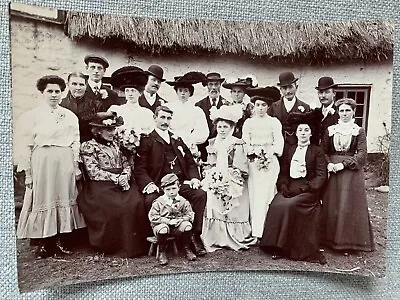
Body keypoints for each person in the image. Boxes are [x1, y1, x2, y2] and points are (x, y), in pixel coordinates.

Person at [16, 75, 86, 258]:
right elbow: (26, 145)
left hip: (65, 160)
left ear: (62, 93)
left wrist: (75, 164)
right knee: (43, 198)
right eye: (50, 91)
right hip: (43, 160)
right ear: (42, 93)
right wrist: (29, 173)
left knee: (65, 196)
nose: (54, 95)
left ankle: (62, 240)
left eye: (57, 91)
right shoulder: (32, 116)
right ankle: (44, 243)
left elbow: (75, 141)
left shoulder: (69, 116)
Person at [134, 106, 207, 256]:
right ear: (155, 118)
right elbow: (140, 168)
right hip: (160, 185)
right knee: (151, 200)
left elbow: (190, 162)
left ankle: (193, 235)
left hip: (180, 183)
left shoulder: (177, 139)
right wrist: (149, 184)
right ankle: (161, 238)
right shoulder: (147, 140)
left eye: (168, 118)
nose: (165, 121)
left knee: (200, 194)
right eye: (162, 117)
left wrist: (193, 178)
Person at [259, 112, 327, 264]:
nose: (303, 133)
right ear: (296, 133)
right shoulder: (290, 150)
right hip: (290, 186)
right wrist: (283, 186)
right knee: (276, 204)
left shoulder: (317, 151)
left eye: (306, 130)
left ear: (311, 133)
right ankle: (275, 246)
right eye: (300, 130)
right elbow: (283, 172)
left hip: (308, 190)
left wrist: (303, 188)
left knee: (290, 205)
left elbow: (321, 176)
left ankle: (287, 248)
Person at [77, 114, 149, 257]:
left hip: (122, 181)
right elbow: (93, 172)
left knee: (136, 201)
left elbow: (126, 163)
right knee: (118, 206)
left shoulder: (116, 143)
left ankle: (136, 244)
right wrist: (116, 178)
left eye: (113, 129)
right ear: (97, 131)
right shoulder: (88, 146)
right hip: (100, 186)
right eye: (108, 129)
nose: (112, 133)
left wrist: (125, 175)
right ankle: (113, 245)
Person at [320, 98, 375, 253]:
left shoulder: (358, 130)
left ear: (353, 112)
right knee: (333, 204)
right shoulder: (330, 129)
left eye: (347, 110)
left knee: (348, 205)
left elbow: (362, 155)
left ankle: (348, 243)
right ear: (338, 112)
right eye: (342, 110)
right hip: (333, 171)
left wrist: (342, 165)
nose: (344, 114)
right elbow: (323, 150)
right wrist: (329, 163)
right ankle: (328, 241)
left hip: (351, 172)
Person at [201, 105, 257, 251]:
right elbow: (210, 162)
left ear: (232, 127)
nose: (222, 130)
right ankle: (216, 236)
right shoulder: (213, 142)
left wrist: (231, 177)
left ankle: (235, 234)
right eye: (219, 127)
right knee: (211, 195)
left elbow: (241, 167)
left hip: (233, 178)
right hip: (216, 177)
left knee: (233, 198)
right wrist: (211, 175)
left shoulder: (237, 143)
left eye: (225, 127)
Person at [242, 87, 284, 239]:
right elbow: (245, 143)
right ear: (254, 106)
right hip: (253, 163)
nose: (260, 108)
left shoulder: (274, 122)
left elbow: (279, 142)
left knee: (267, 194)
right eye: (258, 105)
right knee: (254, 194)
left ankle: (268, 230)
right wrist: (253, 153)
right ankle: (255, 230)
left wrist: (268, 153)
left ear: (268, 107)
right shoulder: (248, 123)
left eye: (263, 105)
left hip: (269, 162)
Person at [148, 173, 197, 265]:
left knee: (187, 225)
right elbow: (153, 217)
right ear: (163, 190)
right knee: (163, 228)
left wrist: (181, 220)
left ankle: (187, 249)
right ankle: (162, 252)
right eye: (168, 189)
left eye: (174, 188)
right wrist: (168, 221)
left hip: (176, 227)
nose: (171, 192)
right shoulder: (158, 202)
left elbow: (190, 214)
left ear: (179, 187)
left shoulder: (183, 201)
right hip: (161, 227)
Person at [166, 72, 209, 157]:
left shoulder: (196, 110)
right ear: (176, 92)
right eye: (180, 90)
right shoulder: (168, 107)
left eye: (186, 91)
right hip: (171, 144)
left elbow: (203, 131)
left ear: (190, 93)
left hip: (190, 145)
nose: (183, 93)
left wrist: (190, 140)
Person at [107, 66, 154, 134]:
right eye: (127, 91)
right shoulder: (116, 110)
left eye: (133, 91)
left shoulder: (147, 113)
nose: (130, 94)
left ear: (140, 93)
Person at [268, 71, 311, 147]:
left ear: (296, 87)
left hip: (298, 147)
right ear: (281, 89)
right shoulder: (273, 107)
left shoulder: (305, 107)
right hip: (279, 148)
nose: (288, 91)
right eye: (284, 88)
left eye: (290, 87)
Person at [60, 72, 103, 142]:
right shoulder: (61, 104)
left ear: (86, 86)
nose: (78, 88)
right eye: (74, 84)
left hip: (90, 146)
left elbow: (100, 131)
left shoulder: (96, 105)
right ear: (68, 85)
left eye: (81, 84)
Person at [195, 72, 229, 161]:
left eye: (216, 84)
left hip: (222, 147)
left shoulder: (227, 106)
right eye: (210, 84)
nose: (213, 87)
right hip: (203, 148)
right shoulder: (199, 105)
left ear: (220, 86)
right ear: (207, 86)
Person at [313, 76, 340, 145]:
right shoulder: (315, 113)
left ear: (334, 93)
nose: (323, 96)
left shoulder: (340, 113)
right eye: (321, 92)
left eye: (327, 92)